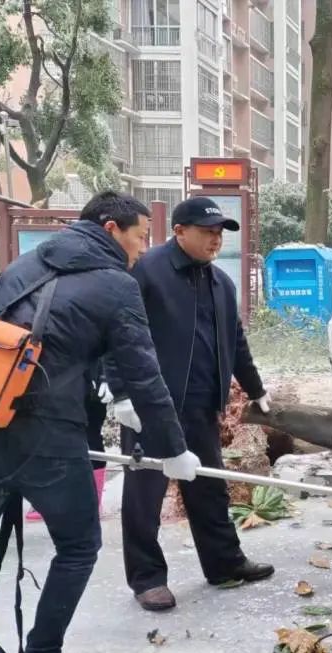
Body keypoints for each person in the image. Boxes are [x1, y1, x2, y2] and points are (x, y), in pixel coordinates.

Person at [0, 191, 199, 653]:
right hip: (48, 437)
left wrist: (115, 398)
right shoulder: (117, 284)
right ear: (112, 227)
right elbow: (146, 372)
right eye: (141, 236)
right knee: (77, 546)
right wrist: (173, 450)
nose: (144, 248)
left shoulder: (23, 265)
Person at [106, 196, 272, 612]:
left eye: (219, 233)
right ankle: (147, 578)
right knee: (145, 494)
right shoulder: (146, 272)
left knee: (208, 487)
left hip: (201, 405)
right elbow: (115, 330)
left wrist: (256, 389)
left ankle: (224, 563)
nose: (215, 240)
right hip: (151, 406)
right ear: (179, 231)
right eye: (207, 232)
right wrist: (120, 391)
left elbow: (235, 342)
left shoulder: (221, 283)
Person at [26, 364, 110, 522]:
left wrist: (106, 376)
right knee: (50, 434)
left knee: (92, 437)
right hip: (59, 375)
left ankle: (94, 501)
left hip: (92, 377)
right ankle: (50, 498)